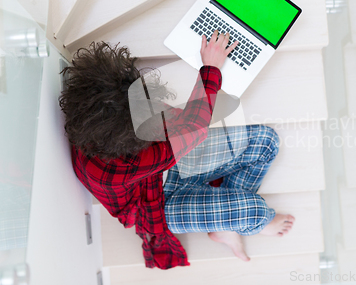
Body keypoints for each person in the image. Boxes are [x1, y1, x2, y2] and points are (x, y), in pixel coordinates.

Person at [59, 30, 295, 270]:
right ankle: (240, 223)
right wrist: (211, 68)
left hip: (156, 171)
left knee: (266, 141)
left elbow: (179, 125)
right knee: (255, 212)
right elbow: (193, 129)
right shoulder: (120, 167)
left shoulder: (97, 116)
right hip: (155, 204)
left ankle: (223, 226)